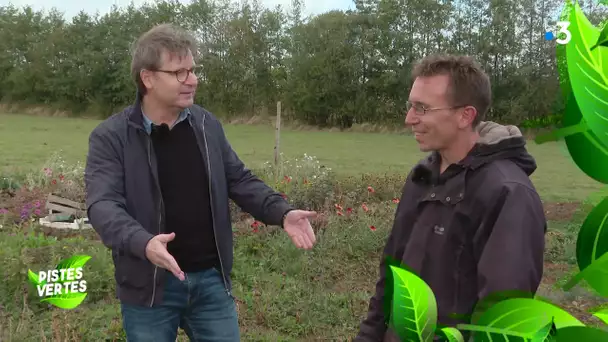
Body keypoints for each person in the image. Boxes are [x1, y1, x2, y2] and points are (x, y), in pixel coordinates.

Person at [84, 23, 317, 341]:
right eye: (179, 72)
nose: (192, 80)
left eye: (193, 70)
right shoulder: (111, 137)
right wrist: (143, 242)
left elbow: (238, 178)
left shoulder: (206, 124)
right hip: (150, 288)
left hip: (210, 282)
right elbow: (102, 205)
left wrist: (281, 212)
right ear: (148, 78)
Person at [354, 54, 547, 341]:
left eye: (422, 108)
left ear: (464, 115)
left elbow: (502, 318)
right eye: (411, 106)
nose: (410, 119)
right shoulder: (422, 177)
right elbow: (392, 276)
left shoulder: (508, 194)